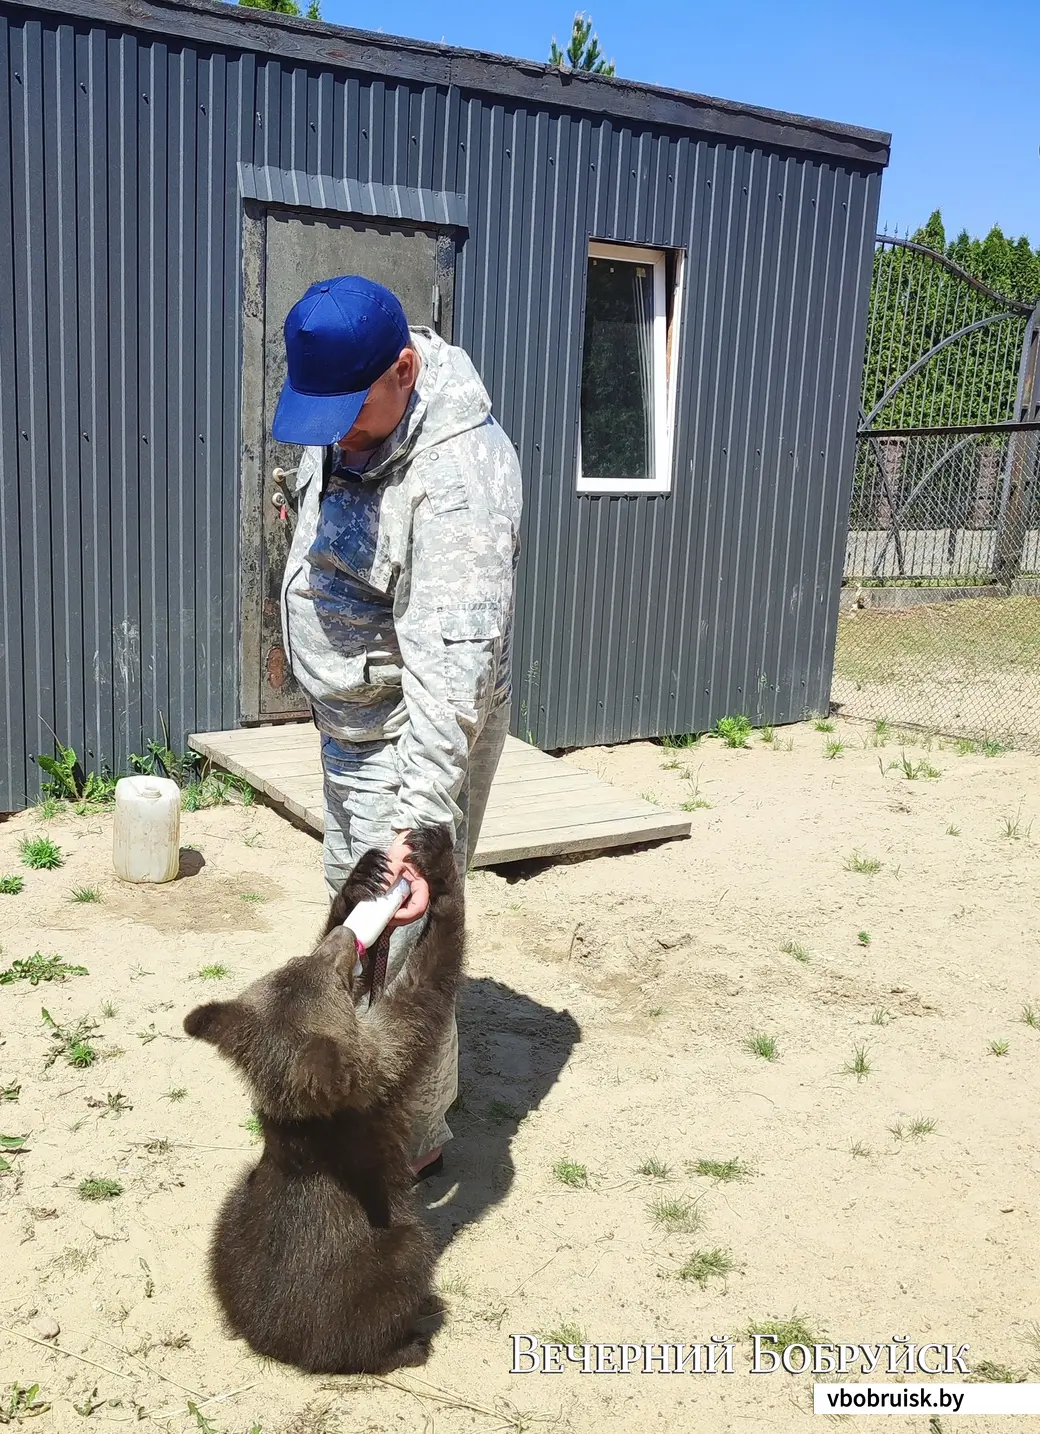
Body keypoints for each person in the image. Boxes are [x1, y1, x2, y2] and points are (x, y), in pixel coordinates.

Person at [272, 275, 523, 1180]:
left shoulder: (458, 482)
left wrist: (419, 834)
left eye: (348, 414)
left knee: (396, 939)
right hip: (353, 721)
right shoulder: (355, 403)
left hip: (410, 733)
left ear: (406, 370)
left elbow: (452, 681)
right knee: (352, 895)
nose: (333, 435)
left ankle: (406, 1143)